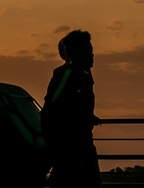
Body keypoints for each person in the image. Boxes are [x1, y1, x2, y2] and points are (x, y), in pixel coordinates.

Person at [42, 29, 100, 187]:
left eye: (92, 50)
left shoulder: (86, 78)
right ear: (73, 54)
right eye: (87, 51)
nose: (92, 55)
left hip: (84, 144)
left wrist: (89, 115)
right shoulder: (65, 76)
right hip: (69, 148)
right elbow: (51, 108)